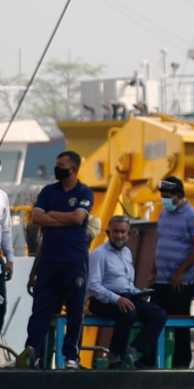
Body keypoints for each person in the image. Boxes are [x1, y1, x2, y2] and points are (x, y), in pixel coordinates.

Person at [22, 149, 94, 367]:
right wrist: (65, 218)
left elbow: (78, 217)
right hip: (49, 262)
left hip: (74, 263)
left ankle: (71, 356)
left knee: (75, 312)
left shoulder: (84, 192)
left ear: (73, 169)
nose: (57, 169)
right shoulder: (48, 191)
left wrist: (50, 215)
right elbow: (36, 216)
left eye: (61, 165)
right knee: (40, 311)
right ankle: (32, 353)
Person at [85, 215, 166, 367]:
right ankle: (115, 356)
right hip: (102, 300)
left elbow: (126, 283)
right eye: (116, 232)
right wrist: (117, 299)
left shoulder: (127, 253)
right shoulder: (99, 254)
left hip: (127, 296)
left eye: (123, 232)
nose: (119, 235)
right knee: (128, 313)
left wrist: (139, 293)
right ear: (108, 233)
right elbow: (93, 285)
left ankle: (134, 351)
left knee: (158, 314)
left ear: (128, 234)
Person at [147, 175, 194, 335]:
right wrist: (153, 271)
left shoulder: (192, 216)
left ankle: (181, 360)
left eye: (168, 197)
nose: (164, 200)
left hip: (180, 283)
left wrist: (180, 273)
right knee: (154, 322)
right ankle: (150, 360)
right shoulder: (163, 214)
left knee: (180, 327)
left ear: (180, 195)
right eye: (162, 196)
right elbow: (159, 242)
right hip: (160, 281)